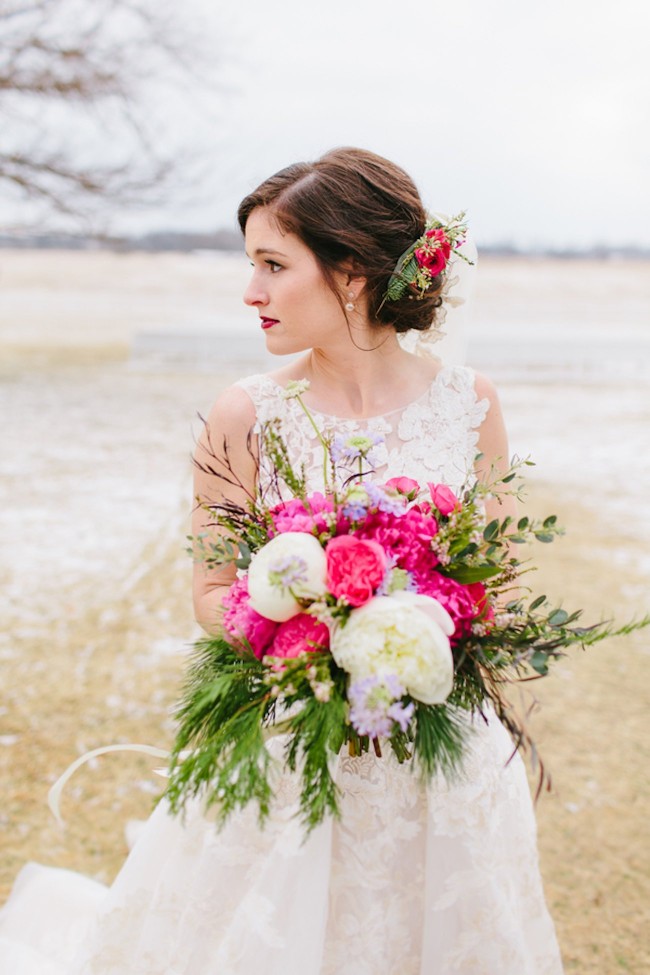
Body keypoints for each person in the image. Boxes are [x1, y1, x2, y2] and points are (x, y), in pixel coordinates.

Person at [0, 147, 564, 974]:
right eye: (250, 264)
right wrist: (319, 636)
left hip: (445, 749)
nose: (250, 292)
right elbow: (213, 587)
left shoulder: (470, 405)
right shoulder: (245, 414)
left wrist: (436, 623)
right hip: (291, 737)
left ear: (354, 272)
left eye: (273, 264)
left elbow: (498, 577)